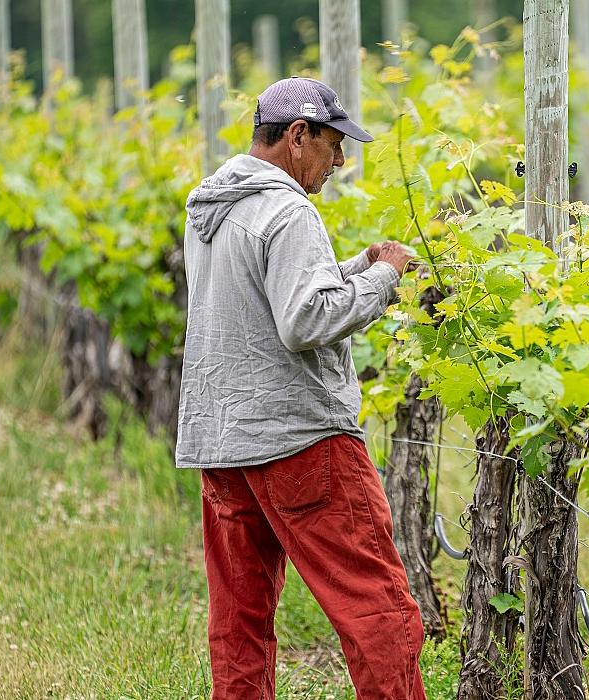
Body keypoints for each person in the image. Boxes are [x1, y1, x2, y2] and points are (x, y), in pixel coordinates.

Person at [175, 76, 426, 700]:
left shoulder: (214, 209)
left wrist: (352, 271)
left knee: (241, 618)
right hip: (299, 442)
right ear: (296, 136)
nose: (339, 161)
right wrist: (385, 280)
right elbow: (303, 321)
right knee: (379, 611)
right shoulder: (288, 209)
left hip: (223, 443)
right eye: (333, 144)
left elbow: (261, 301)